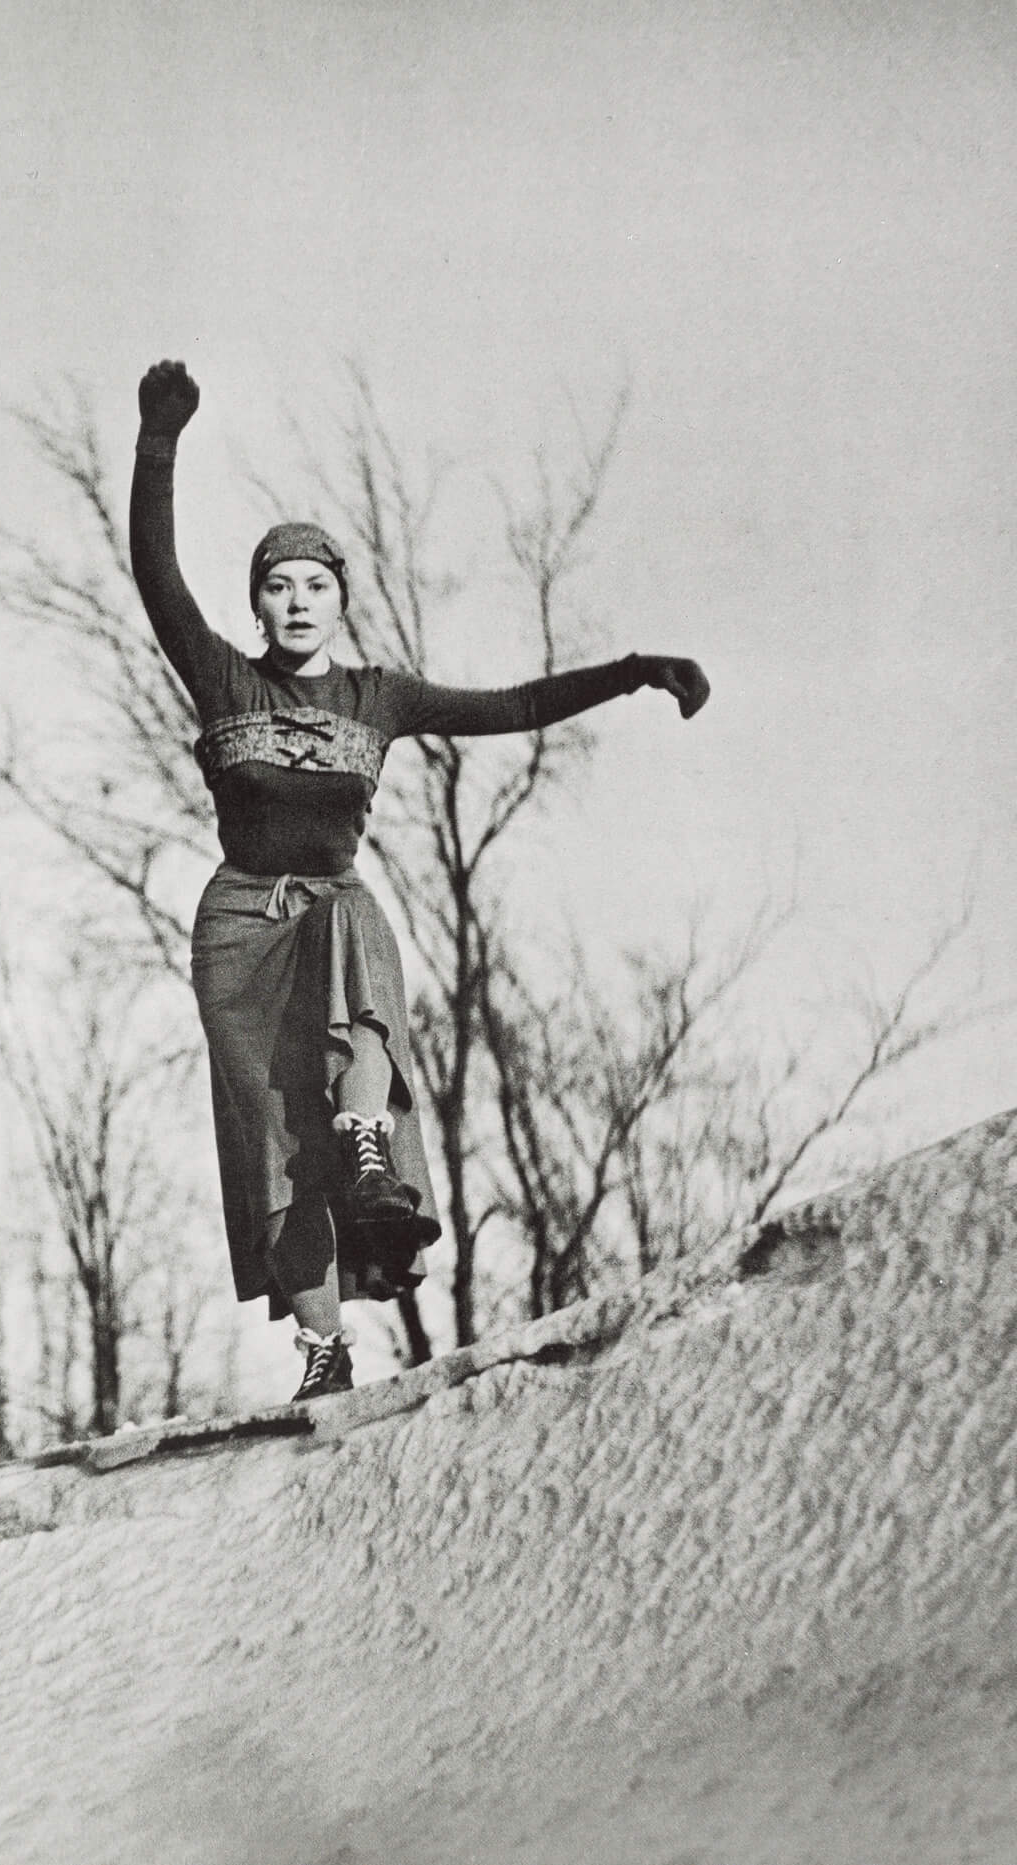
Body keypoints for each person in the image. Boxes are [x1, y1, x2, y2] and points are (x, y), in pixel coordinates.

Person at [129, 359, 709, 1402]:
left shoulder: (377, 698)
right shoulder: (224, 680)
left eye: (318, 584)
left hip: (330, 917)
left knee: (355, 913)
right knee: (272, 1132)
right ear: (257, 602)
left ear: (341, 601)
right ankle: (322, 1348)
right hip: (238, 933)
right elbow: (156, 575)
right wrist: (159, 439)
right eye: (280, 584)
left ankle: (369, 1146)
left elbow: (517, 706)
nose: (298, 601)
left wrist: (630, 672)